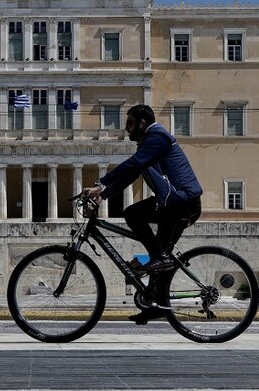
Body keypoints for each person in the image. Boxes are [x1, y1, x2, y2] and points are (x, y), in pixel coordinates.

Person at [84, 104, 202, 324]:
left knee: (133, 214)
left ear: (142, 123)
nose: (126, 129)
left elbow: (134, 164)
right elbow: (132, 174)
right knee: (161, 257)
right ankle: (157, 304)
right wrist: (105, 194)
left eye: (129, 124)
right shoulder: (148, 144)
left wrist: (101, 184)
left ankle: (160, 260)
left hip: (181, 202)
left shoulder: (158, 137)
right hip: (174, 204)